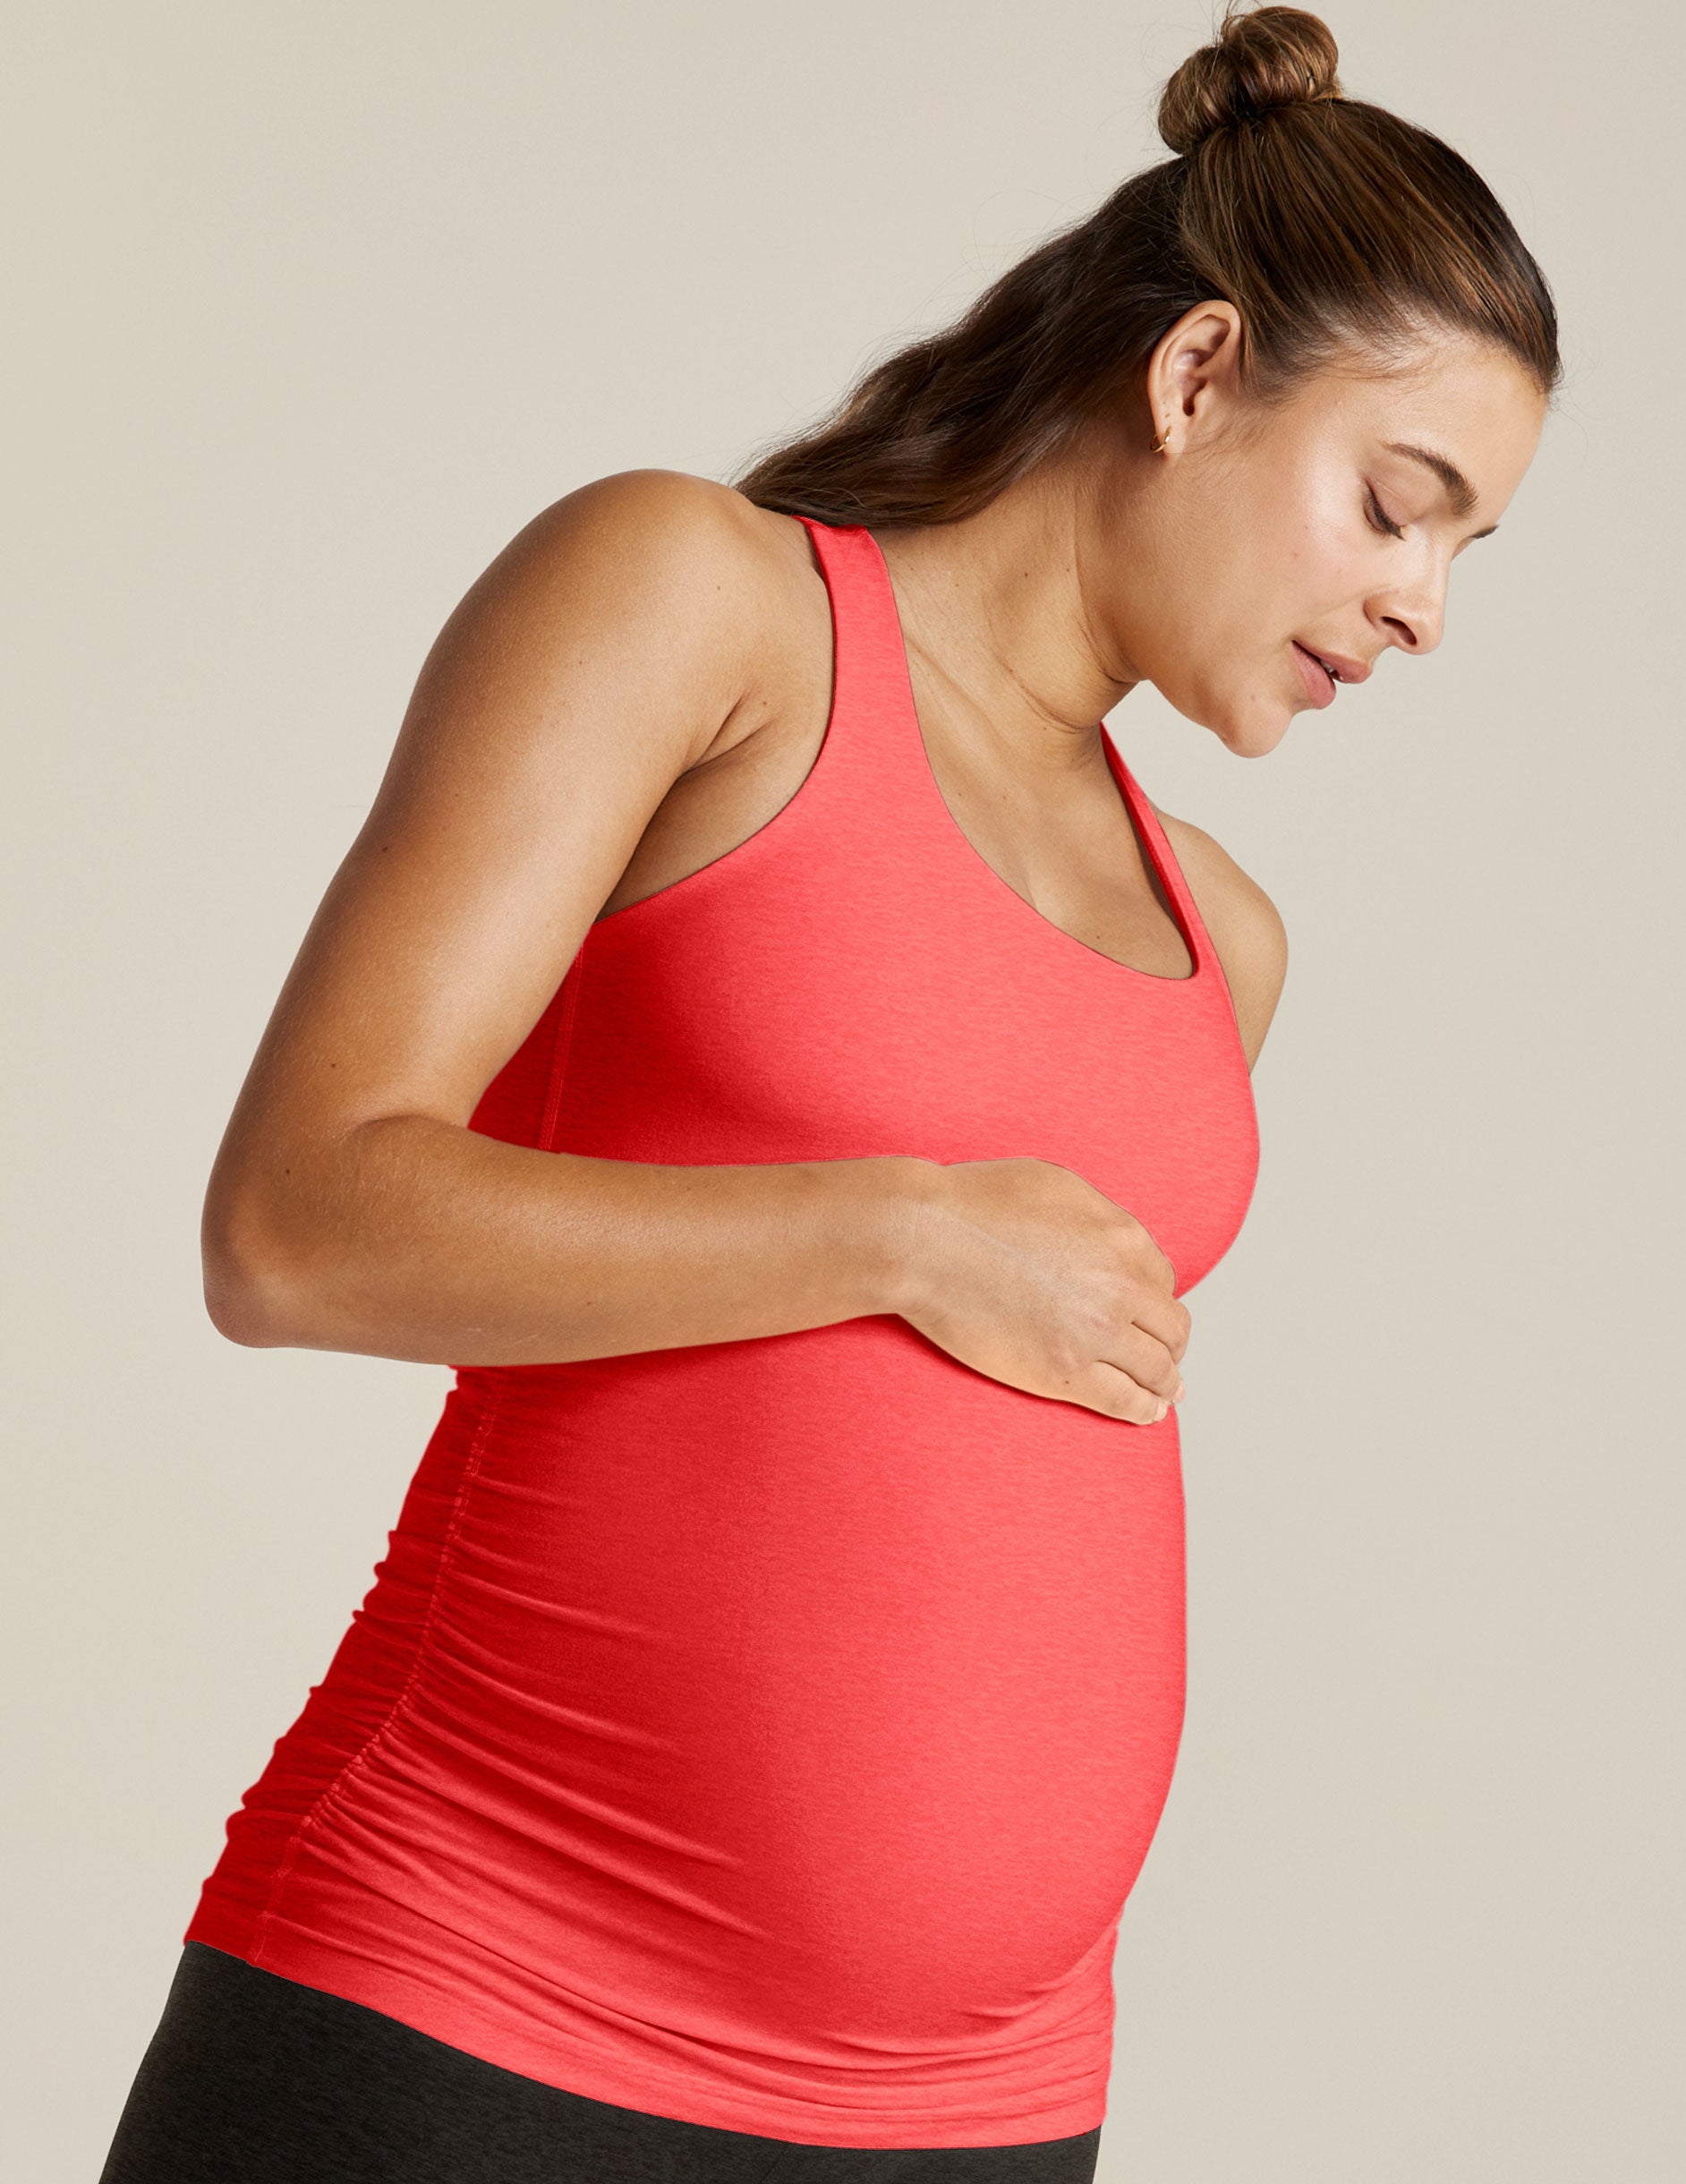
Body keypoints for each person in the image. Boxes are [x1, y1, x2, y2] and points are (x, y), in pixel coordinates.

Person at [98, 7, 1558, 2179]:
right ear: (1194, 375)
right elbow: (295, 1222)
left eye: (1468, 552)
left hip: (979, 2107)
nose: (1422, 606)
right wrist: (899, 1223)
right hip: (476, 2008)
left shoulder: (1221, 933)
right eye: (1396, 505)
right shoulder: (705, 604)